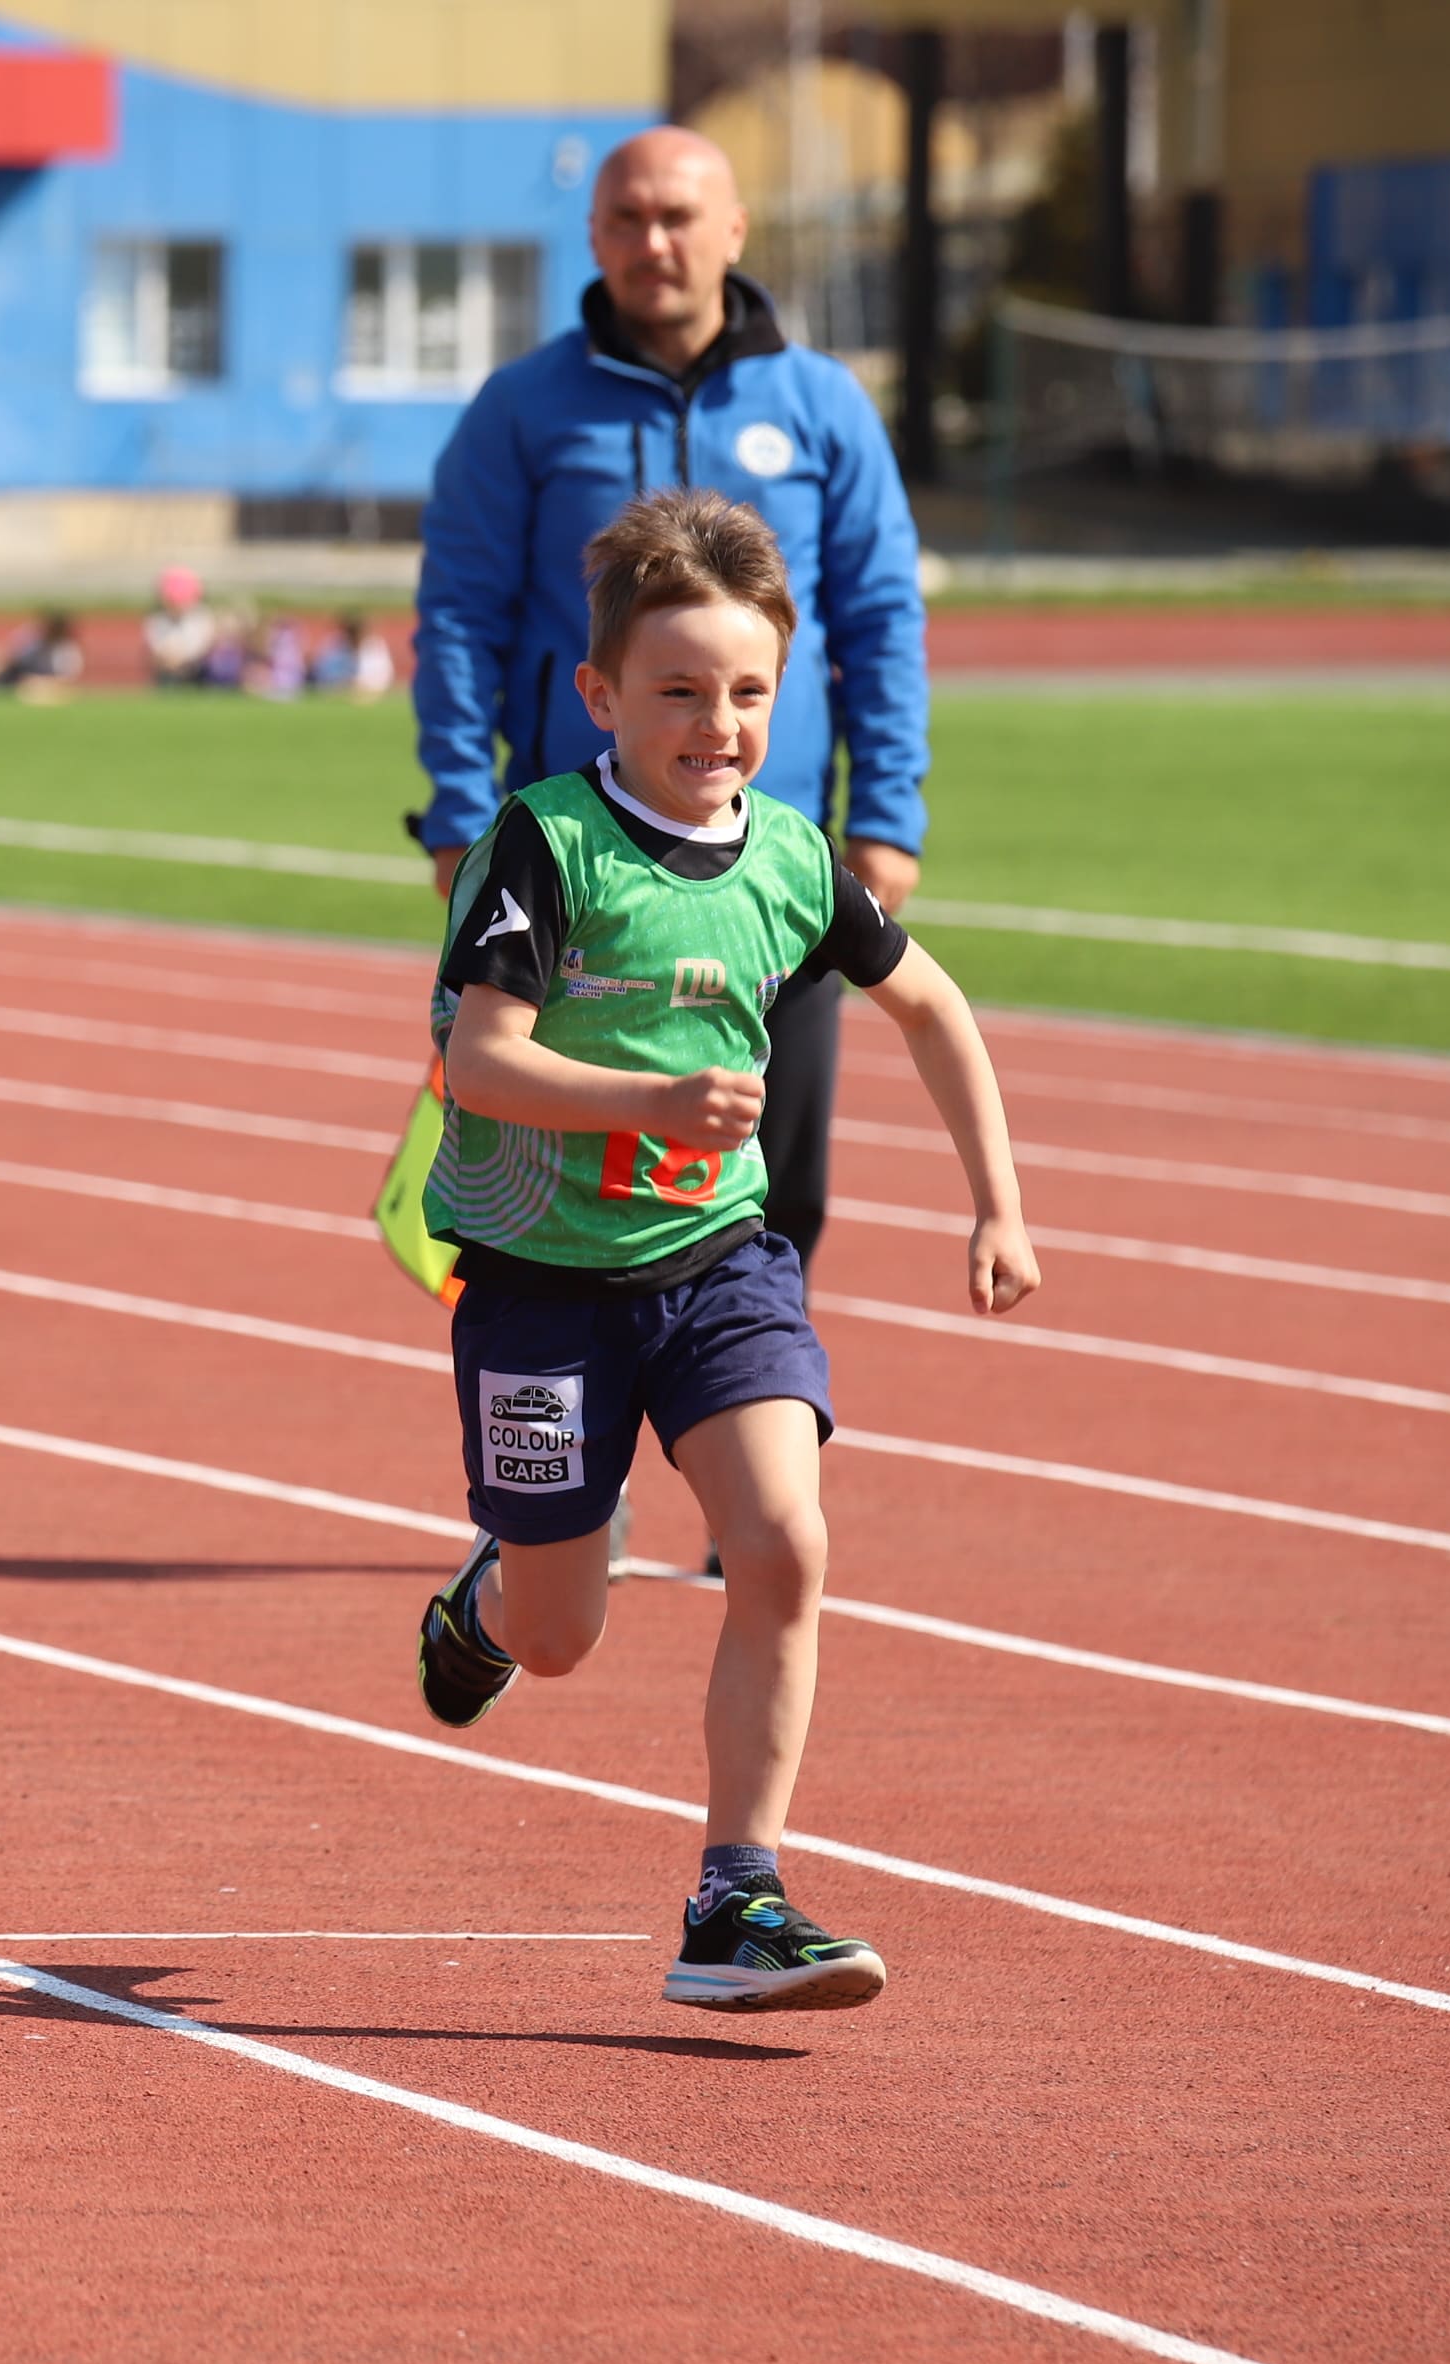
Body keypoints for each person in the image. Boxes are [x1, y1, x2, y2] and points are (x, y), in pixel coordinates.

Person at [408, 492, 1036, 2017]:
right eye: (679, 691)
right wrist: (652, 1096)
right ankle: (489, 1600)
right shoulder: (545, 843)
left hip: (719, 1262)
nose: (716, 725)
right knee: (562, 1635)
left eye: (748, 692)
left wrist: (998, 1200)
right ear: (601, 694)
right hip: (544, 1284)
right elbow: (475, 1064)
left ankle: (734, 1897)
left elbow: (935, 1009)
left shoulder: (800, 861)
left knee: (785, 1543)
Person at [412, 125, 928, 1296]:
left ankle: (741, 1405)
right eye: (627, 219)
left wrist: (886, 812)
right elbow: (455, 617)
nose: (653, 241)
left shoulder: (820, 406)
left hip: (772, 860)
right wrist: (455, 811)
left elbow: (881, 619)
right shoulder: (521, 409)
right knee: (552, 1173)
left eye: (678, 216)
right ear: (593, 235)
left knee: (773, 1180)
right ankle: (581, 1461)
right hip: (578, 869)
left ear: (732, 231)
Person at [143, 568, 218, 687]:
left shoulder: (201, 617)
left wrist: (183, 660)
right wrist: (169, 660)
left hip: (196, 671)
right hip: (168, 671)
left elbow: (202, 646)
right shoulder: (157, 620)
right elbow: (157, 648)